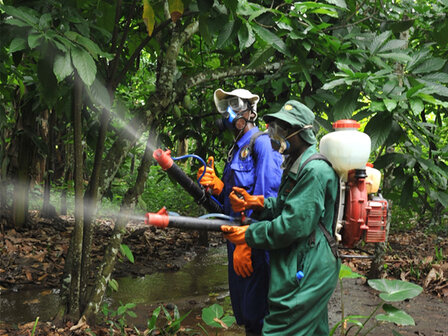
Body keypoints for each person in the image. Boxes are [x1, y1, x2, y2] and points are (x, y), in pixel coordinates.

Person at [222, 100, 341, 336]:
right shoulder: (297, 165)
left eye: (283, 130)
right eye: (275, 127)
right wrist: (256, 203)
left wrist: (248, 235)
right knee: (312, 329)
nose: (275, 135)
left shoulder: (314, 170)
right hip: (305, 256)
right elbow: (286, 205)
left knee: (281, 326)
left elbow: (292, 225)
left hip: (310, 263)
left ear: (301, 133)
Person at [197, 88, 283, 336]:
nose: (230, 112)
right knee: (246, 313)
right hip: (237, 242)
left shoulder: (263, 143)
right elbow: (233, 200)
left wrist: (247, 244)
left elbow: (267, 201)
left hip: (255, 245)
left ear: (251, 111)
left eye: (235, 105)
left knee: (260, 316)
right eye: (225, 107)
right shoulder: (236, 148)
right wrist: (217, 187)